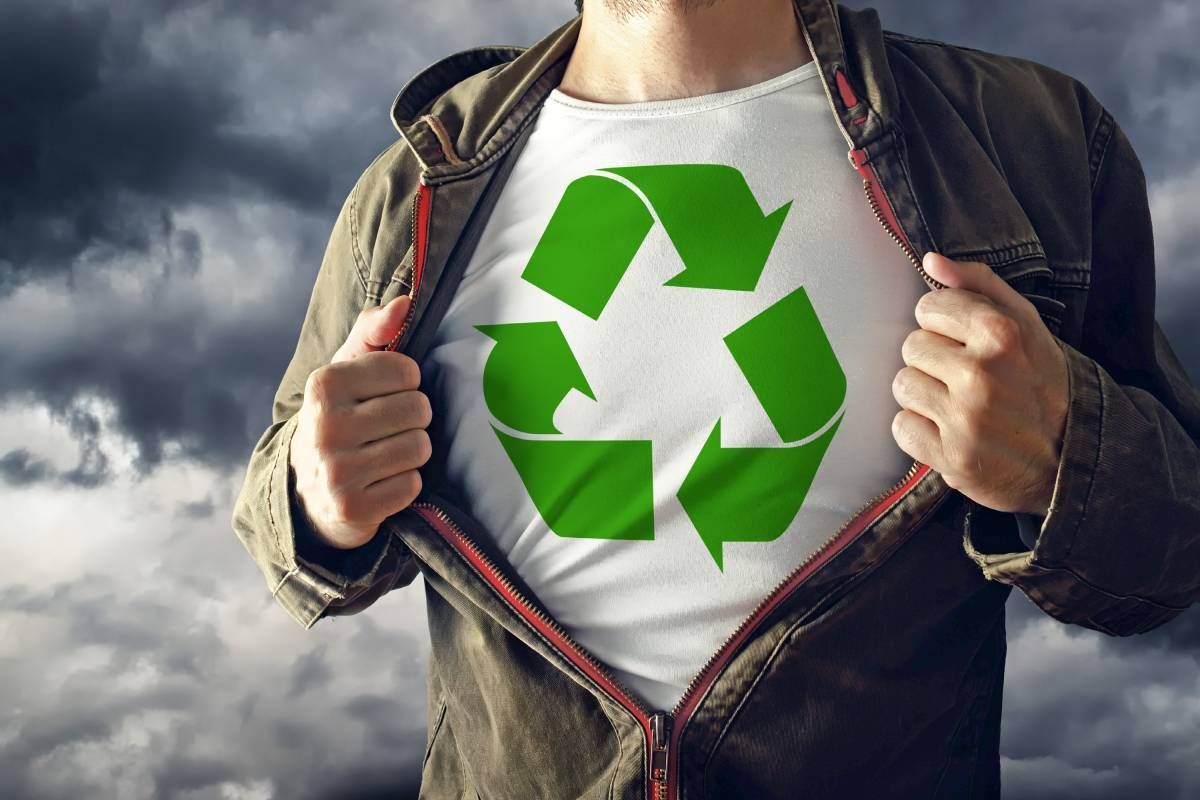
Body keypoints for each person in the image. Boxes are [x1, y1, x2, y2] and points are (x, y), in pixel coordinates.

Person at [230, 1, 1200, 797]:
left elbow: (1175, 550)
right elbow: (275, 499)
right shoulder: (414, 181)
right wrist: (318, 496)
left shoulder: (1035, 138)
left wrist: (1070, 450)